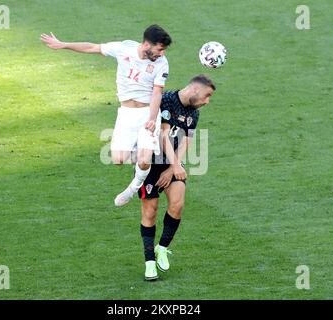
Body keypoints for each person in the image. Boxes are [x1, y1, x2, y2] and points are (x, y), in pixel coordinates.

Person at [40, 25, 172, 206]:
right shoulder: (123, 49)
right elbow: (93, 47)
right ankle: (150, 154)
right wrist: (63, 44)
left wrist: (151, 118)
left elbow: (157, 93)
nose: (162, 54)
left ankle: (133, 187)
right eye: (160, 49)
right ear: (147, 44)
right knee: (118, 159)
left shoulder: (161, 63)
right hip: (126, 114)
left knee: (143, 160)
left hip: (147, 113)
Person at [137, 74, 216, 280]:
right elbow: (163, 136)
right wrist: (173, 166)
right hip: (150, 163)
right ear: (195, 90)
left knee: (178, 204)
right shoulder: (167, 100)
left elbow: (186, 141)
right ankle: (149, 263)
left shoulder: (194, 112)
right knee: (150, 212)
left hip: (172, 164)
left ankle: (162, 248)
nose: (207, 101)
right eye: (207, 96)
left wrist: (173, 168)